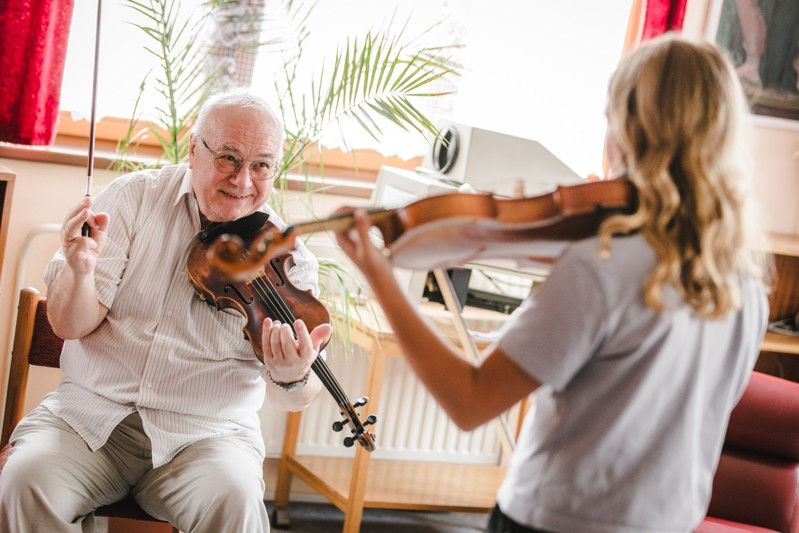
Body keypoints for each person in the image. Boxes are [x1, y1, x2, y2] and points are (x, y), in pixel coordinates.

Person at [334, 33, 771, 533]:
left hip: (557, 522)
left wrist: (380, 277)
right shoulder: (743, 284)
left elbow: (470, 402)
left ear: (634, 130)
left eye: (610, 118)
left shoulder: (602, 264)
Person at [0, 89, 332, 532]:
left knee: (237, 504)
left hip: (207, 437)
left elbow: (299, 396)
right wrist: (79, 273)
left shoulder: (289, 260)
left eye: (261, 165)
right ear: (194, 149)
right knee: (23, 483)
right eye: (229, 158)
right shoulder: (132, 200)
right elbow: (68, 324)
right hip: (89, 419)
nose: (243, 181)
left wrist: (292, 375)